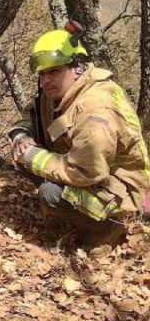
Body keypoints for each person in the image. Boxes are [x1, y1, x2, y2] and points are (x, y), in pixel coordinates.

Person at [8, 23, 150, 253]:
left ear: (77, 68)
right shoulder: (59, 92)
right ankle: (70, 216)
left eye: (54, 71)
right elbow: (32, 115)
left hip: (117, 187)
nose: (46, 80)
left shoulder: (95, 109)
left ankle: (108, 228)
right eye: (42, 73)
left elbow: (87, 172)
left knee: (50, 193)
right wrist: (20, 135)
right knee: (24, 153)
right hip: (85, 170)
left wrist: (33, 157)